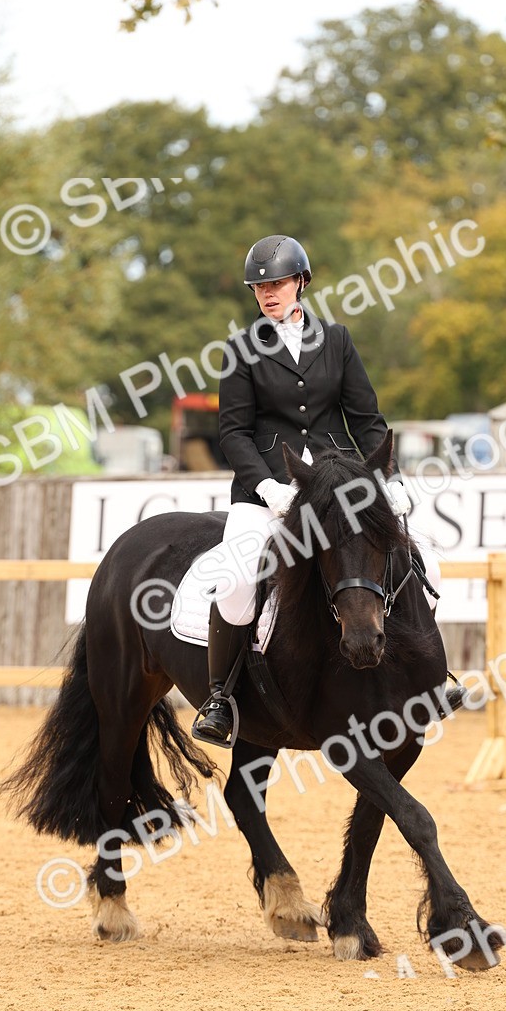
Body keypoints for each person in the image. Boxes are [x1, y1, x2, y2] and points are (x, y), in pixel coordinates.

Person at [191, 234, 457, 746]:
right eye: (259, 287)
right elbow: (232, 432)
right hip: (271, 489)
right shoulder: (241, 350)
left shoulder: (336, 340)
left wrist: (391, 481)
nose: (268, 294)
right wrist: (267, 486)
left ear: (301, 283)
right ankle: (221, 697)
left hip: (341, 486)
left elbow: (368, 420)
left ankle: (428, 675)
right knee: (236, 577)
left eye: (277, 283)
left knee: (419, 559)